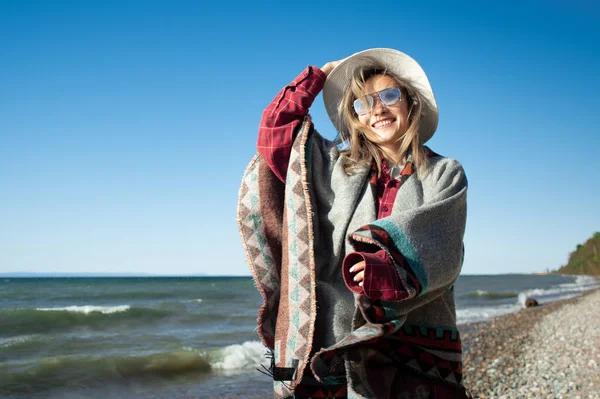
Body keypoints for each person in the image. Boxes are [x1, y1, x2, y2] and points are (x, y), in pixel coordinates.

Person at [238, 48, 470, 399]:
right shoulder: (335, 168)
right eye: (363, 103)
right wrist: (319, 77)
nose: (377, 108)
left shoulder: (444, 172)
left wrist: (383, 264)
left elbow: (442, 239)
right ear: (356, 118)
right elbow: (275, 133)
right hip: (334, 337)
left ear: (410, 104)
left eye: (389, 95)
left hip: (414, 346)